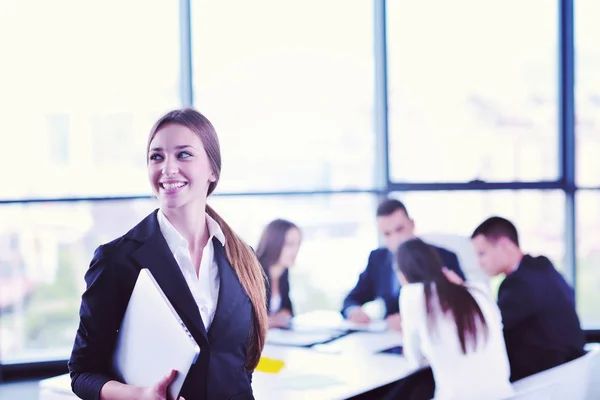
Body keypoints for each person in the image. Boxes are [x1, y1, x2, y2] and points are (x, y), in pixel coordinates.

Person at [68, 108, 268, 400]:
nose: (168, 168)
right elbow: (82, 373)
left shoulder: (242, 258)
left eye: (183, 155)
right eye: (156, 157)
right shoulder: (116, 260)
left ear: (212, 170)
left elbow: (241, 366)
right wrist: (140, 395)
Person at [465, 216, 586, 382]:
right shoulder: (542, 267)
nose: (479, 263)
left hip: (542, 379)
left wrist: (462, 293)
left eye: (482, 254)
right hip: (569, 372)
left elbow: (489, 325)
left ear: (504, 245)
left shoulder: (518, 284)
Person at [392, 238, 513, 400]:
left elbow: (414, 359)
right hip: (505, 394)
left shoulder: (412, 294)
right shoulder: (478, 290)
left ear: (402, 274)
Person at [341, 198, 466, 331]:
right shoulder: (377, 258)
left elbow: (463, 305)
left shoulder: (444, 257)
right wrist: (353, 311)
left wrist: (414, 318)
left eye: (400, 229)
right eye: (387, 234)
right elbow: (352, 298)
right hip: (386, 338)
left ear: (412, 224)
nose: (396, 239)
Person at [255, 219, 302, 329]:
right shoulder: (255, 273)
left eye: (298, 244)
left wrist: (273, 319)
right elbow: (250, 320)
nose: (295, 251)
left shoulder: (283, 272)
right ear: (274, 243)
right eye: (289, 244)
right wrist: (272, 320)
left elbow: (289, 312)